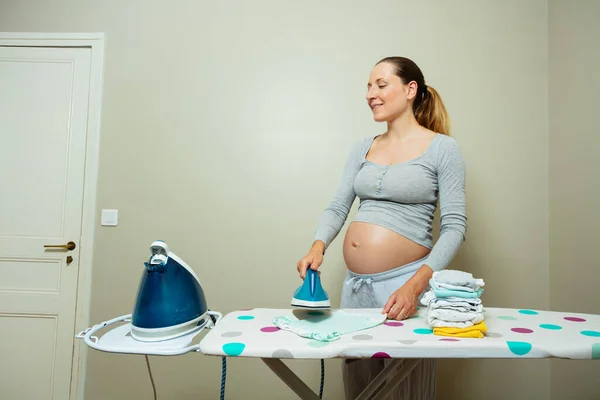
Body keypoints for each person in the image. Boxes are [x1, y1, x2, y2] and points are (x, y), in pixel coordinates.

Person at [296, 56, 467, 399]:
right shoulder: (364, 147)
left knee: (405, 388)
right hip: (355, 289)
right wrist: (318, 246)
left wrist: (415, 286)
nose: (370, 94)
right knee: (361, 390)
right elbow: (338, 205)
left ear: (410, 90)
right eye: (368, 87)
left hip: (403, 289)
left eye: (380, 85)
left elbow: (455, 227)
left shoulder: (443, 149)